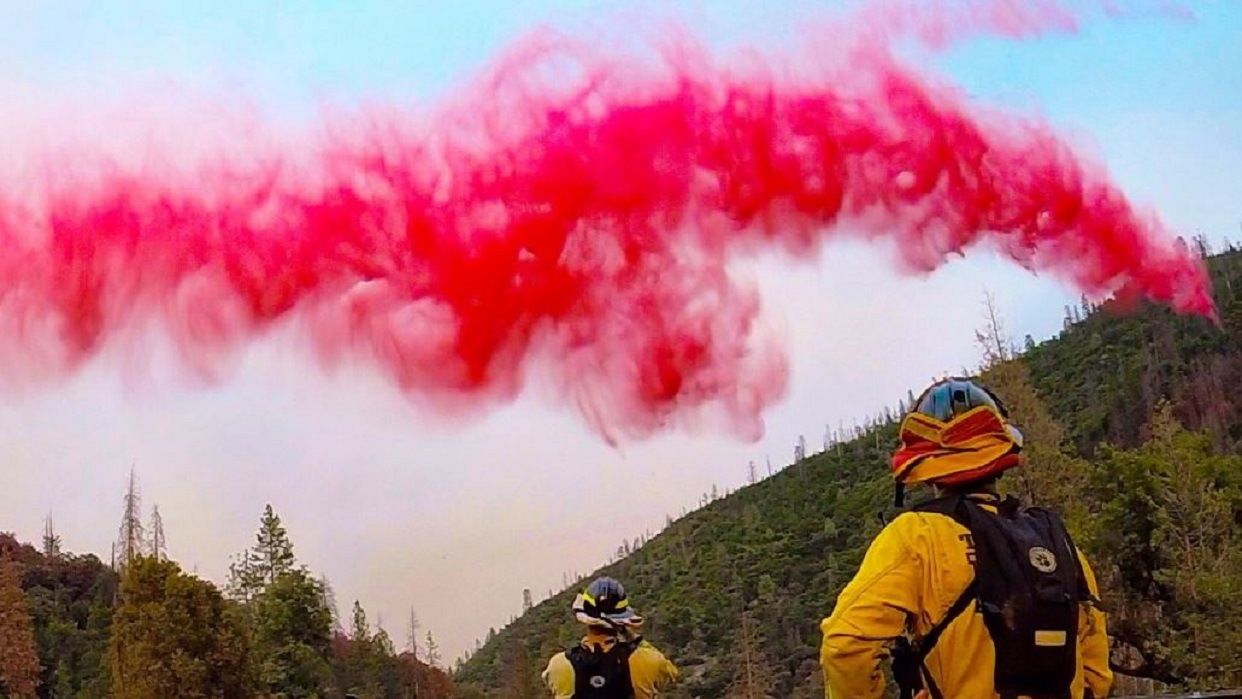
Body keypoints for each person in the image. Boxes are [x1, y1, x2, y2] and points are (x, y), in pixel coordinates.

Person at [820, 378, 1113, 699]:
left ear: (923, 464)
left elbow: (845, 647)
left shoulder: (917, 536)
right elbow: (1096, 669)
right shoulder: (1055, 542)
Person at [543, 576, 679, 698]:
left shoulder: (559, 665)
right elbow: (671, 674)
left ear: (585, 619)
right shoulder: (648, 660)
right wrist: (632, 637)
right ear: (622, 620)